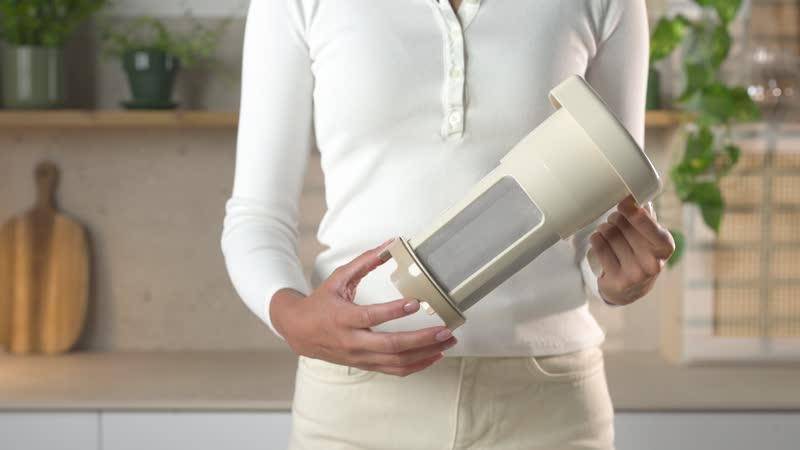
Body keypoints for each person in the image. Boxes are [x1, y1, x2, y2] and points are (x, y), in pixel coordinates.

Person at [221, 0, 675, 448]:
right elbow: (257, 215)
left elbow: (612, 204)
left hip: (546, 404)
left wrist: (620, 277)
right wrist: (291, 317)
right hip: (353, 403)